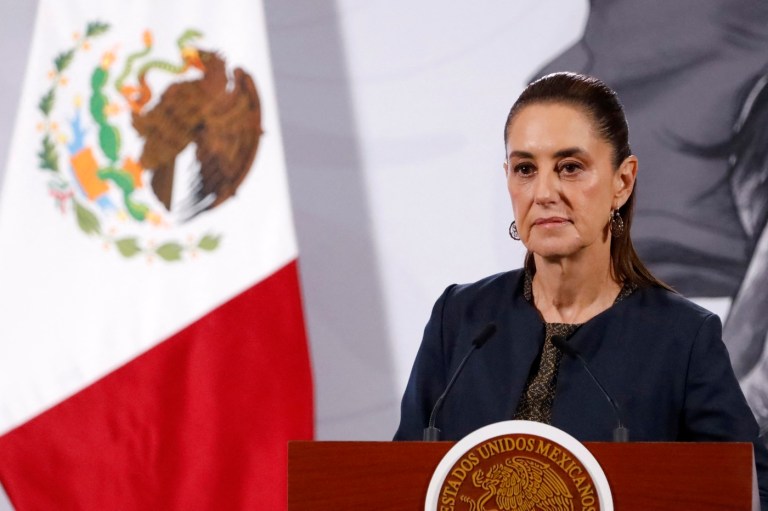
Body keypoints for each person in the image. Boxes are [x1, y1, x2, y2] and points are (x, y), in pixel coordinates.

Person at [393, 72, 768, 507]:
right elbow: (399, 480)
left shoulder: (682, 337)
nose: (543, 192)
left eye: (570, 167)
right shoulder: (460, 319)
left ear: (622, 182)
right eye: (525, 169)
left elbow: (746, 490)